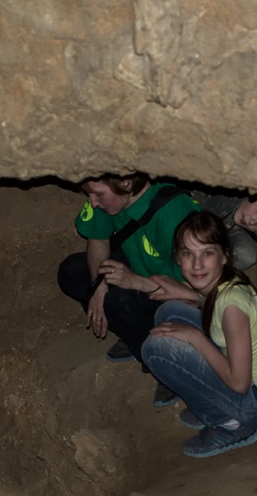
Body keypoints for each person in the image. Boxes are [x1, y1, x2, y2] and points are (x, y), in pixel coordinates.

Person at [142, 211, 257, 458]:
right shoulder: (229, 282)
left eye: (207, 253)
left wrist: (193, 337)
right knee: (170, 311)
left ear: (224, 255)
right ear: (178, 258)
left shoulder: (232, 306)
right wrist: (187, 295)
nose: (196, 265)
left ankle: (230, 425)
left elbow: (239, 384)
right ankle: (211, 399)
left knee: (156, 350)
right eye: (188, 254)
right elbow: (212, 309)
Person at [57, 172, 200, 405]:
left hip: (179, 293)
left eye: (98, 195)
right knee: (72, 271)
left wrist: (134, 283)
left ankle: (165, 364)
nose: (93, 201)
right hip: (139, 267)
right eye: (89, 195)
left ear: (126, 183)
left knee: (119, 299)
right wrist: (98, 285)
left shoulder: (174, 213)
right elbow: (98, 239)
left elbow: (195, 291)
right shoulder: (112, 198)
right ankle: (131, 329)